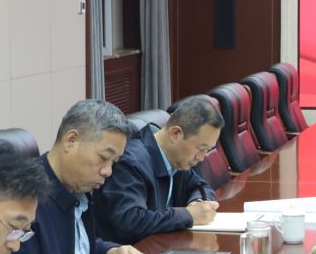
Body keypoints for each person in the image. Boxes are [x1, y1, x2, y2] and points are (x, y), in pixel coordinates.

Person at [0, 99, 149, 254]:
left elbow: (76, 247)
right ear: (71, 140)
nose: (108, 171)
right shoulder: (25, 195)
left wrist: (110, 251)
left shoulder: (78, 187)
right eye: (103, 157)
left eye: (114, 162)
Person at [91, 94, 224, 242]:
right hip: (127, 252)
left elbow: (200, 186)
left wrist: (198, 203)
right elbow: (130, 221)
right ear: (176, 134)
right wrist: (188, 215)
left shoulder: (176, 159)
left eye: (207, 150)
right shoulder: (130, 162)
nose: (202, 157)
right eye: (201, 148)